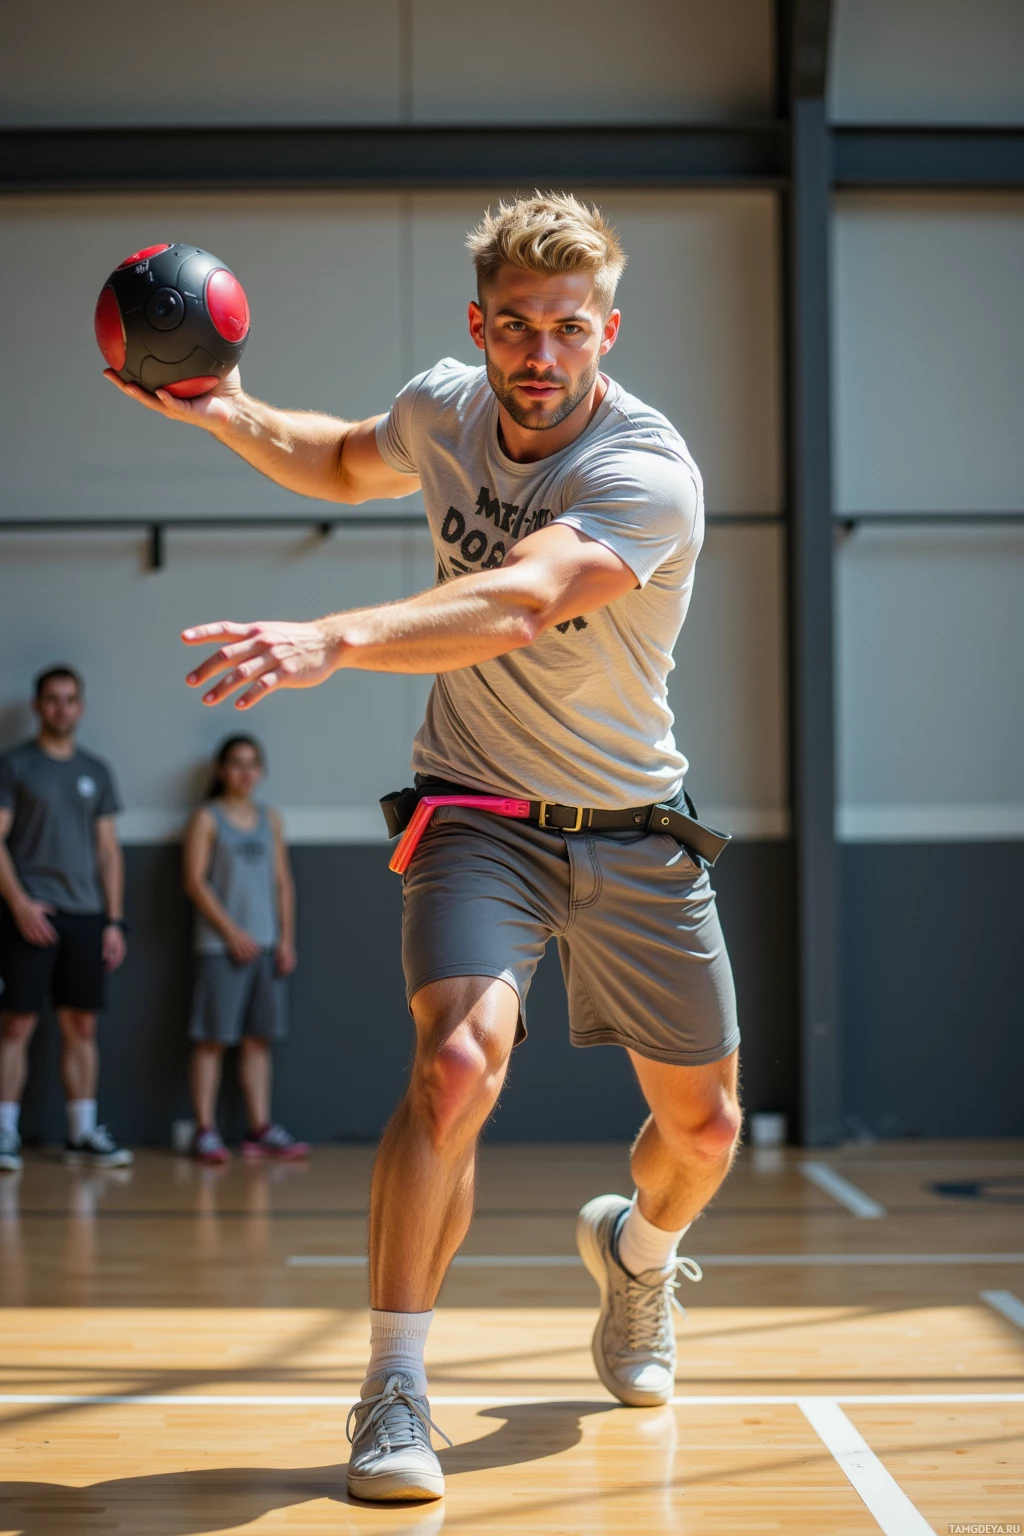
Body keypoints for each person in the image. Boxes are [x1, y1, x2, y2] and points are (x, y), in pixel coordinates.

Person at [106, 191, 742, 1503]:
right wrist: (226, 410)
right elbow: (340, 457)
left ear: (605, 331)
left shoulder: (645, 472)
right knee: (455, 1067)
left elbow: (521, 603)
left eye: (567, 328)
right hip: (479, 812)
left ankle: (636, 1257)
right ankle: (394, 1386)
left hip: (633, 825)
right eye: (516, 324)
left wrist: (334, 639)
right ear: (480, 324)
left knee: (709, 1130)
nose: (539, 352)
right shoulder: (446, 406)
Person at [0, 666, 132, 1173]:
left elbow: (108, 852)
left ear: (80, 706)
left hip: (86, 916)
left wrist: (113, 922)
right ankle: (5, 1134)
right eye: (52, 699)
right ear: (38, 706)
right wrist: (18, 904)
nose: (61, 708)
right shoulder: (15, 766)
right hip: (32, 914)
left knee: (81, 1025)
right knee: (17, 1024)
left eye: (70, 699)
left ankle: (81, 1132)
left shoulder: (95, 771)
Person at [182, 734, 307, 1165]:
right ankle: (204, 1130)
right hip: (222, 948)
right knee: (213, 1040)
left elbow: (282, 882)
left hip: (267, 948)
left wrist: (285, 939)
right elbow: (194, 882)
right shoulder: (207, 818)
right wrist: (231, 932)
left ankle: (260, 1128)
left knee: (258, 1040)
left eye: (252, 763)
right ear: (221, 769)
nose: (245, 771)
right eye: (236, 763)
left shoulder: (269, 819)